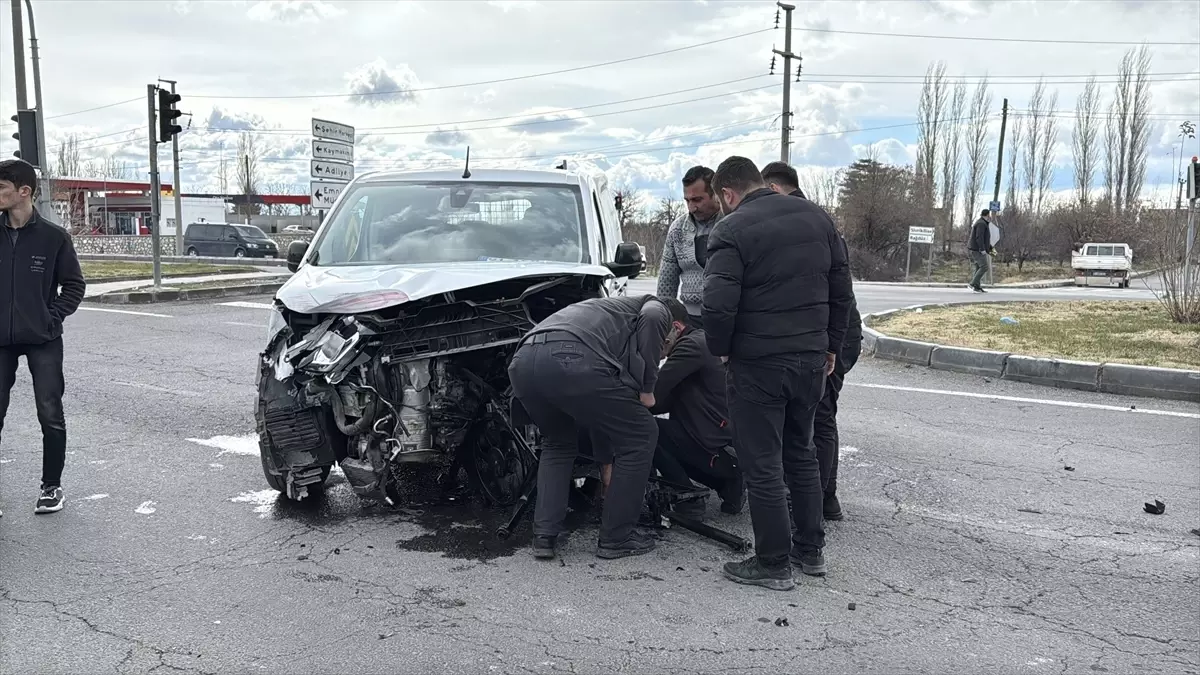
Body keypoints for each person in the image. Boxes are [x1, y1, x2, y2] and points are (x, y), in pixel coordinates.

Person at [702, 156, 853, 592]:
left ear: (727, 194)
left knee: (763, 463)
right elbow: (842, 293)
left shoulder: (730, 229)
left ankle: (772, 563)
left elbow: (717, 305)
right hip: (809, 362)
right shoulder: (818, 218)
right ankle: (810, 550)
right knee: (801, 454)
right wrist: (830, 347)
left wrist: (723, 351)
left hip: (758, 365)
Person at [507, 294, 686, 561]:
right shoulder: (655, 308)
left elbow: (601, 417)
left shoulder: (606, 316)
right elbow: (652, 317)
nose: (662, 352)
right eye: (666, 347)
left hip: (524, 360)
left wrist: (606, 466)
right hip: (569, 357)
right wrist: (648, 388)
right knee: (642, 432)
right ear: (677, 327)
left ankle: (544, 535)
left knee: (557, 443)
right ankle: (617, 537)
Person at [761, 160, 862, 521]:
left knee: (819, 417)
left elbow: (837, 293)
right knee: (821, 415)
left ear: (773, 189)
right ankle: (820, 496)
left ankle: (820, 498)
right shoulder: (816, 218)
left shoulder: (807, 222)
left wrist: (831, 347)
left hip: (828, 335)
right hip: (833, 334)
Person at [0, 158, 86, 516]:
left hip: (43, 339)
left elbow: (74, 285)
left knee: (50, 413)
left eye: (2, 188)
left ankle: (51, 487)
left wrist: (50, 318)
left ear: (24, 192)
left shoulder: (53, 237)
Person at [648, 298, 744, 519]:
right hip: (721, 443)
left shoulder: (690, 347)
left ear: (676, 327)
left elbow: (653, 392)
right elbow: (664, 400)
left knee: (644, 430)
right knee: (655, 427)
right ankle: (727, 484)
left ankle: (688, 496)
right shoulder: (700, 341)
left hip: (714, 446)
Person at [656, 166, 722, 329]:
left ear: (715, 194)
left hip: (727, 316)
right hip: (690, 319)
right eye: (687, 200)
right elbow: (666, 281)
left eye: (698, 200)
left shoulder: (732, 222)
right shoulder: (677, 229)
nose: (692, 207)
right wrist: (665, 319)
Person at [967, 209, 995, 293]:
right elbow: (979, 238)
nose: (990, 217)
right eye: (989, 215)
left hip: (977, 249)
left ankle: (977, 286)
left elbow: (985, 239)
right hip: (977, 249)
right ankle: (972, 284)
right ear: (986, 215)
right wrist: (982, 249)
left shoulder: (982, 223)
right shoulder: (981, 224)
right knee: (984, 266)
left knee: (978, 266)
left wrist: (989, 248)